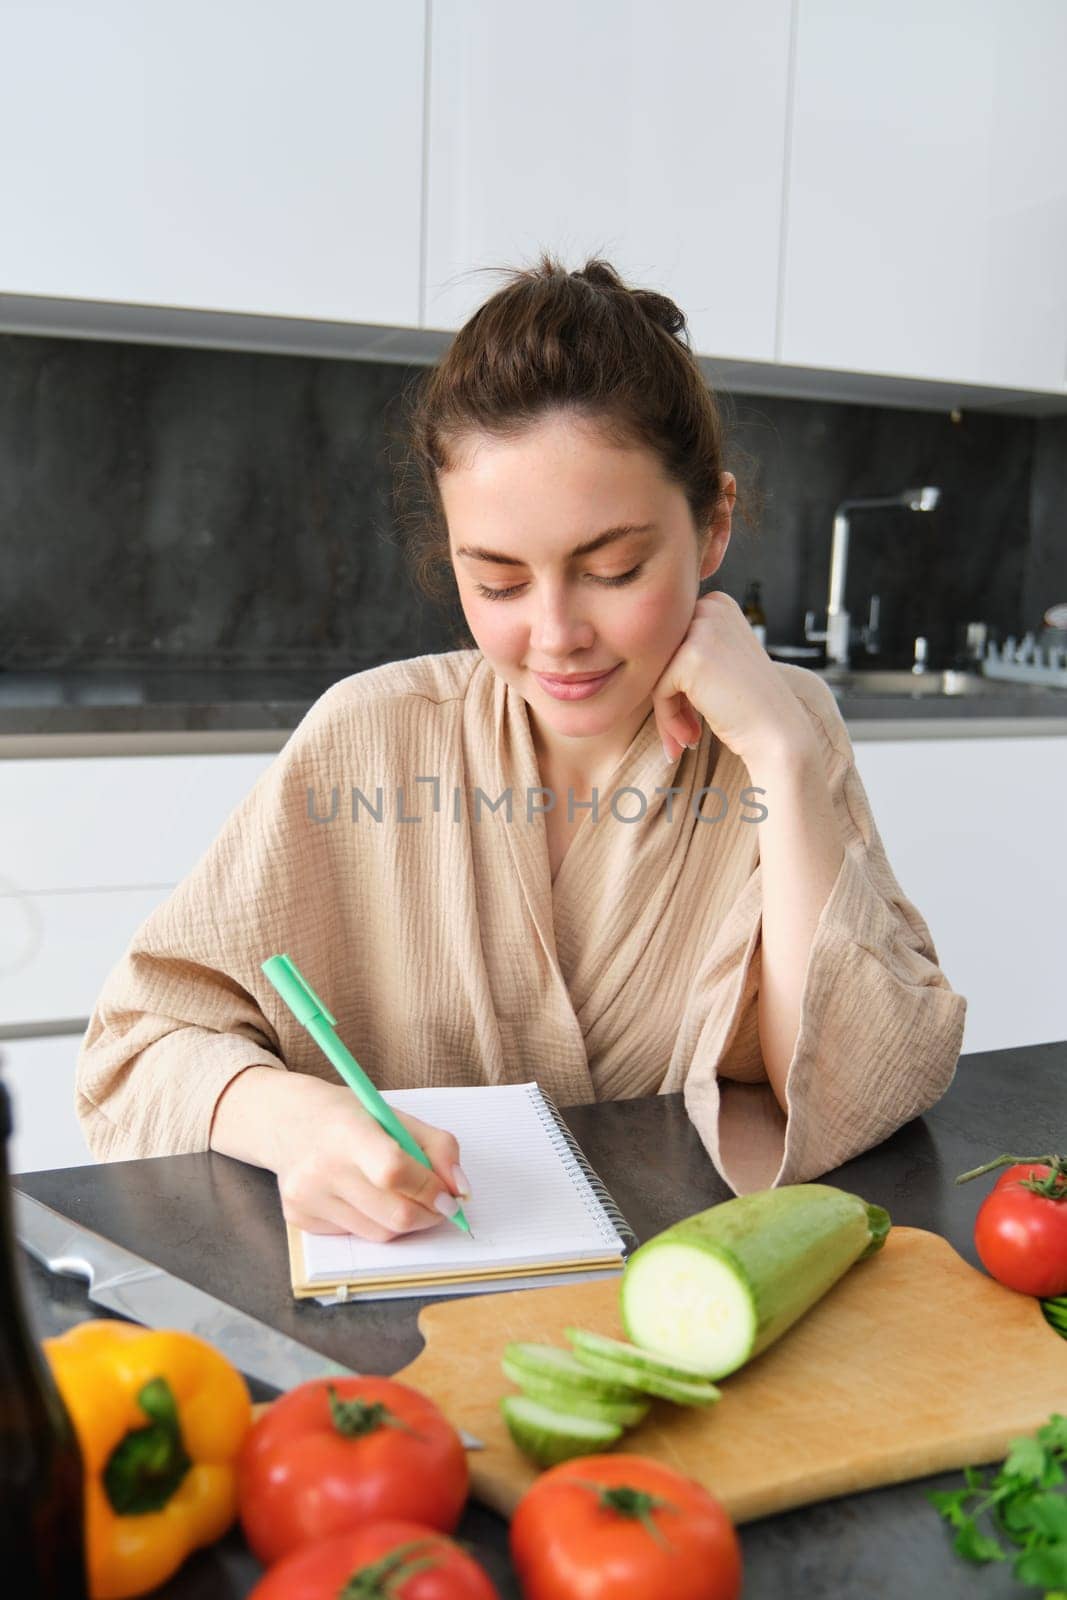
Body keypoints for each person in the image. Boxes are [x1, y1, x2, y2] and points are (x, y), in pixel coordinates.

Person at [75, 254, 967, 1241]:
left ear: (712, 525)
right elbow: (133, 1046)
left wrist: (781, 755)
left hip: (679, 1302)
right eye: (497, 582)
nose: (555, 635)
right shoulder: (368, 734)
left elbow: (854, 1088)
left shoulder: (781, 729)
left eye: (613, 569)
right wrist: (290, 1120)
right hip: (398, 1319)